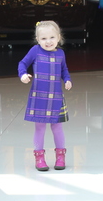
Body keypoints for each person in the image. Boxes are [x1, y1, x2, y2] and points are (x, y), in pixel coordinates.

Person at [18, 20, 72, 171]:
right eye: (43, 38)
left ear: (59, 37)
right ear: (37, 40)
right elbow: (22, 63)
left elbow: (64, 70)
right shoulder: (35, 51)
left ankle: (60, 156)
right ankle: (39, 158)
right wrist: (23, 75)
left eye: (52, 37)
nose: (48, 42)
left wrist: (67, 79)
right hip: (39, 96)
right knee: (40, 127)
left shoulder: (60, 53)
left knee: (57, 127)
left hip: (56, 97)